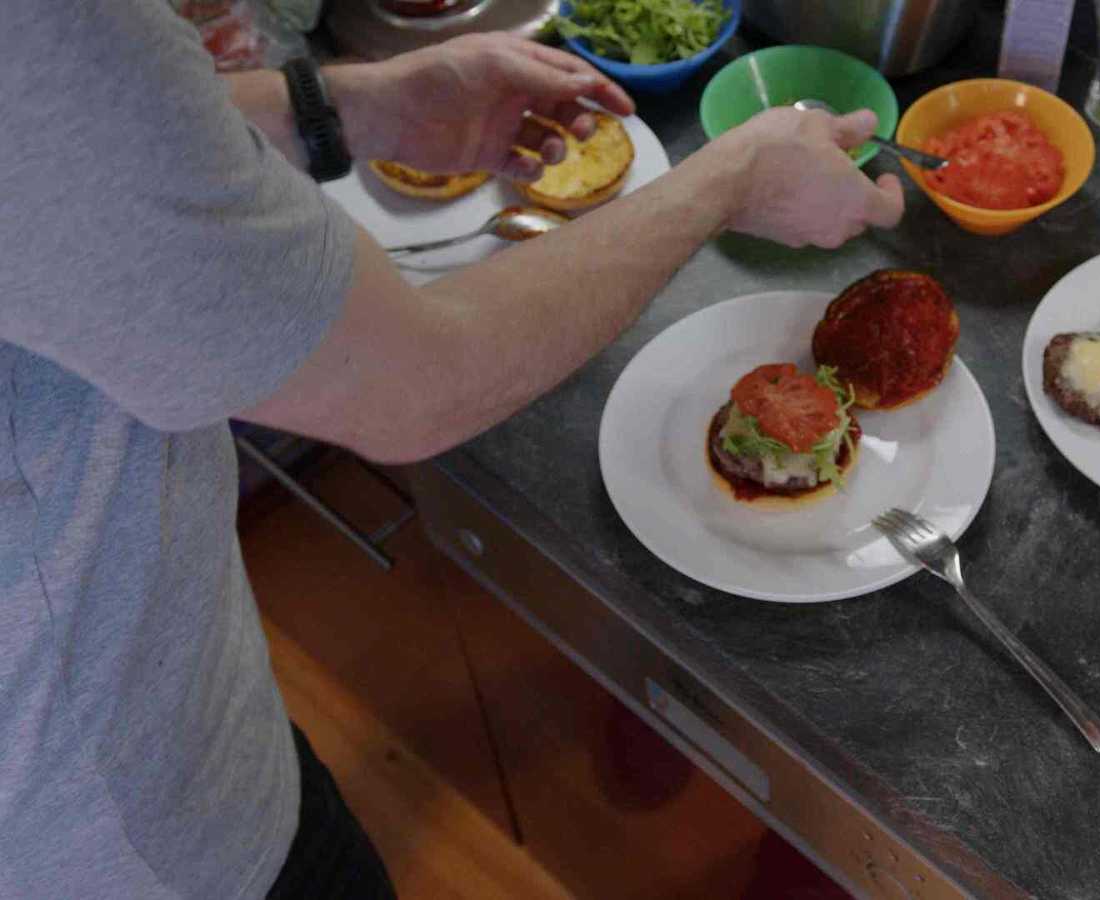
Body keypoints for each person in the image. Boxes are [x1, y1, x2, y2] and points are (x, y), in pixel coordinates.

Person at [0, 2, 905, 897]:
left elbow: (95, 143)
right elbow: (413, 380)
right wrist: (731, 179)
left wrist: (333, 108)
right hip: (123, 832)